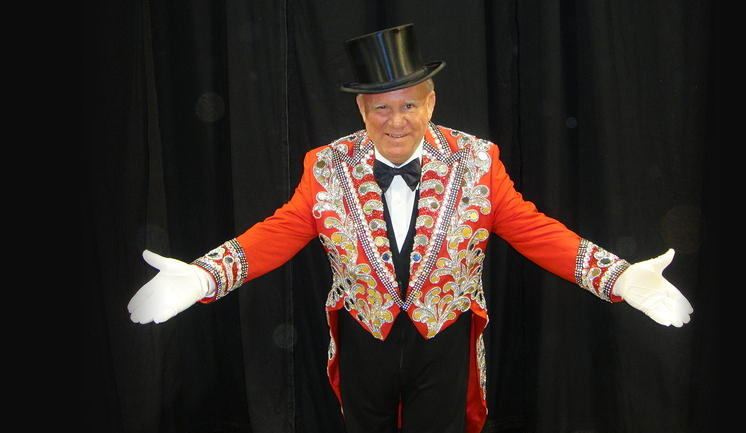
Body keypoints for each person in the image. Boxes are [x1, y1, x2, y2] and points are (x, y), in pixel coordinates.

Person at [127, 23, 693, 433]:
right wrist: (204, 278)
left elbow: (532, 229)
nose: (396, 122)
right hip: (363, 338)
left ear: (431, 103)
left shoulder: (476, 159)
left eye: (409, 106)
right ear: (362, 112)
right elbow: (277, 232)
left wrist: (618, 279)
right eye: (381, 109)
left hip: (443, 339)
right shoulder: (326, 165)